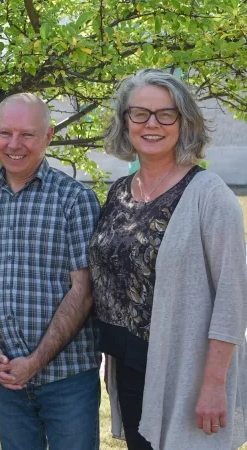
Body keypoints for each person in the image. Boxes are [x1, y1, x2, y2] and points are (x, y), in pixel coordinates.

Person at [92, 68, 247, 449]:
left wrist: (213, 386)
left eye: (166, 114)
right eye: (139, 113)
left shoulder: (210, 196)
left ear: (184, 122)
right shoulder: (119, 194)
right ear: (125, 120)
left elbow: (233, 298)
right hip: (129, 365)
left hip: (186, 374)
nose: (152, 124)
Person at [0, 93, 101, 449]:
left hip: (67, 380)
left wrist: (35, 361)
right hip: (7, 379)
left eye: (27, 134)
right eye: (5, 133)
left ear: (49, 136)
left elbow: (83, 291)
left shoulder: (75, 200)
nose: (14, 144)